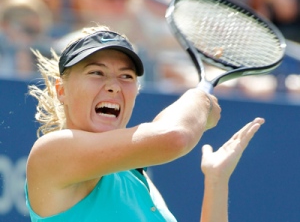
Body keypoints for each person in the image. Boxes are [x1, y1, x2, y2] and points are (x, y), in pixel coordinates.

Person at [25, 25, 265, 222]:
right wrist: (201, 100)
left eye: (126, 76)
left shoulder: (135, 178)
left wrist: (216, 182)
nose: (114, 85)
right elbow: (174, 136)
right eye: (97, 73)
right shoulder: (52, 152)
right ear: (61, 90)